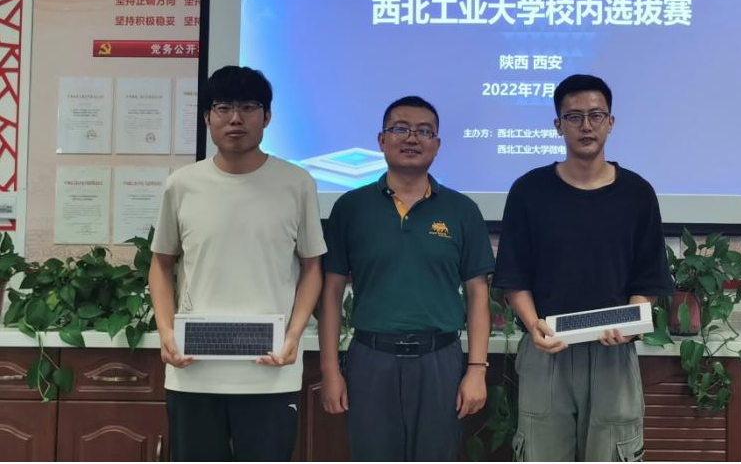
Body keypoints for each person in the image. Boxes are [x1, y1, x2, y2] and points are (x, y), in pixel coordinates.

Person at [493, 74, 674, 462]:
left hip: (613, 355)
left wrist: (629, 323)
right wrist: (533, 325)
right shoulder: (528, 191)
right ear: (558, 125)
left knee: (614, 452)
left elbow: (648, 277)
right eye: (574, 117)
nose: (586, 126)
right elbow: (514, 275)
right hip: (547, 350)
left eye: (596, 115)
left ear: (611, 122)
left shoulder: (637, 194)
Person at [149, 65, 326, 462]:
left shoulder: (297, 183)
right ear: (207, 117)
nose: (235, 118)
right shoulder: (182, 184)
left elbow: (312, 267)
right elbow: (160, 263)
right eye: (223, 107)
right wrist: (166, 332)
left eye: (248, 107)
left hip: (270, 371)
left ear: (267, 116)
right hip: (193, 370)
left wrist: (294, 335)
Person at [319, 95, 495, 462]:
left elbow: (478, 293)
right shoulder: (351, 208)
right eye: (400, 129)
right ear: (381, 140)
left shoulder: (462, 210)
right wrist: (330, 369)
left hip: (439, 360)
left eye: (424, 131)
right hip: (371, 359)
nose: (412, 138)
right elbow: (331, 292)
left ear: (437, 144)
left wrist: (477, 370)